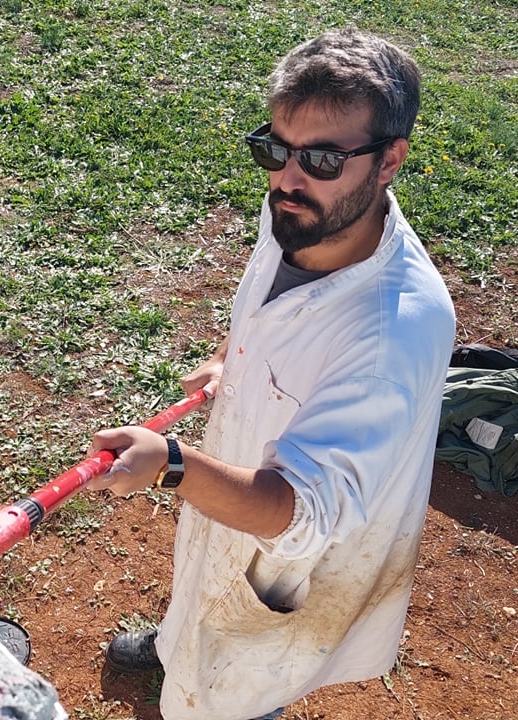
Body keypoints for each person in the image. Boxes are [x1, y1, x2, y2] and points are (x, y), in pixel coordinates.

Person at [85, 27, 456, 720]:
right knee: (198, 591)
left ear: (389, 161)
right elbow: (274, 304)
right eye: (275, 148)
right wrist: (233, 359)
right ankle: (174, 648)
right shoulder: (301, 212)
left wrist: (172, 464)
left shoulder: (391, 338)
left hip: (289, 554)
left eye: (321, 157)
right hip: (235, 484)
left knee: (235, 688)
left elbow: (303, 514)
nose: (288, 177)